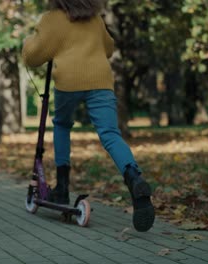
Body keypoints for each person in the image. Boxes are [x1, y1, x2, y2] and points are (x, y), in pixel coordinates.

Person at [22, 0, 155, 232]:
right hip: (100, 81)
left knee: (62, 125)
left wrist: (27, 43)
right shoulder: (94, 19)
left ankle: (62, 187)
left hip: (69, 82)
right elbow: (109, 48)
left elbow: (33, 57)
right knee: (111, 134)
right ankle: (134, 178)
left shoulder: (52, 18)